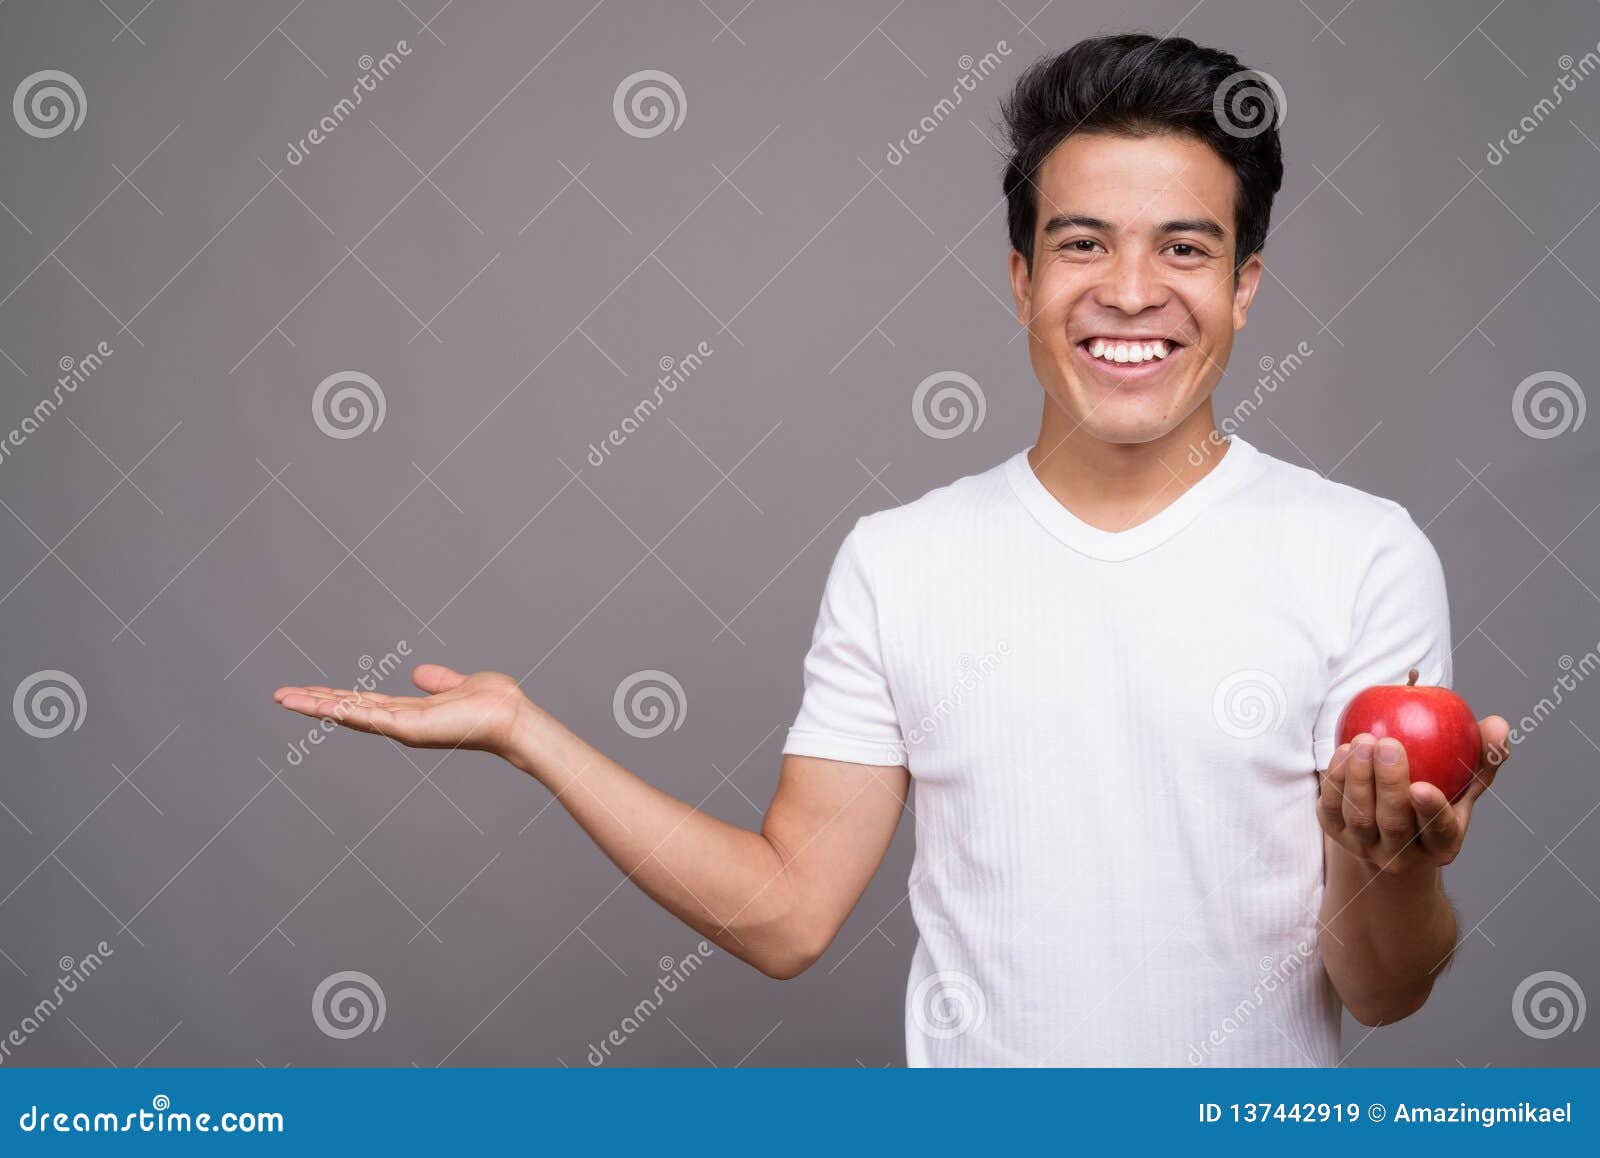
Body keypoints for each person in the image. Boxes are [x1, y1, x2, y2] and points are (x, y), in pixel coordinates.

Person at [274, 33, 1511, 1066]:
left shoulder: (1361, 554)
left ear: (1244, 287)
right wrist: (527, 734)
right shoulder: (901, 561)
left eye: (1183, 248)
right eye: (1082, 244)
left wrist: (1383, 863)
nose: (1130, 290)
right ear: (1021, 279)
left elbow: (1384, 987)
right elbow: (785, 915)